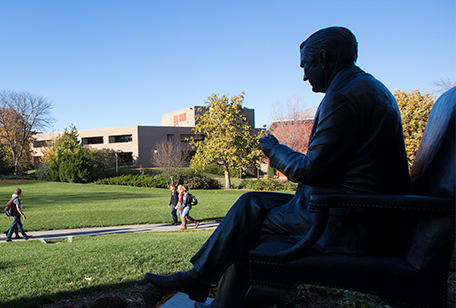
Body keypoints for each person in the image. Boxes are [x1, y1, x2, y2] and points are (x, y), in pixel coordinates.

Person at [145, 26, 412, 307]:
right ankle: (202, 280)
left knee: (248, 225)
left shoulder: (342, 98)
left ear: (323, 57)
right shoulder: (368, 88)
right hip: (355, 210)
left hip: (345, 221)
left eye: (306, 65)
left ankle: (203, 281)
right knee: (250, 204)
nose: (305, 75)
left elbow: (311, 171)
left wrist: (275, 150)